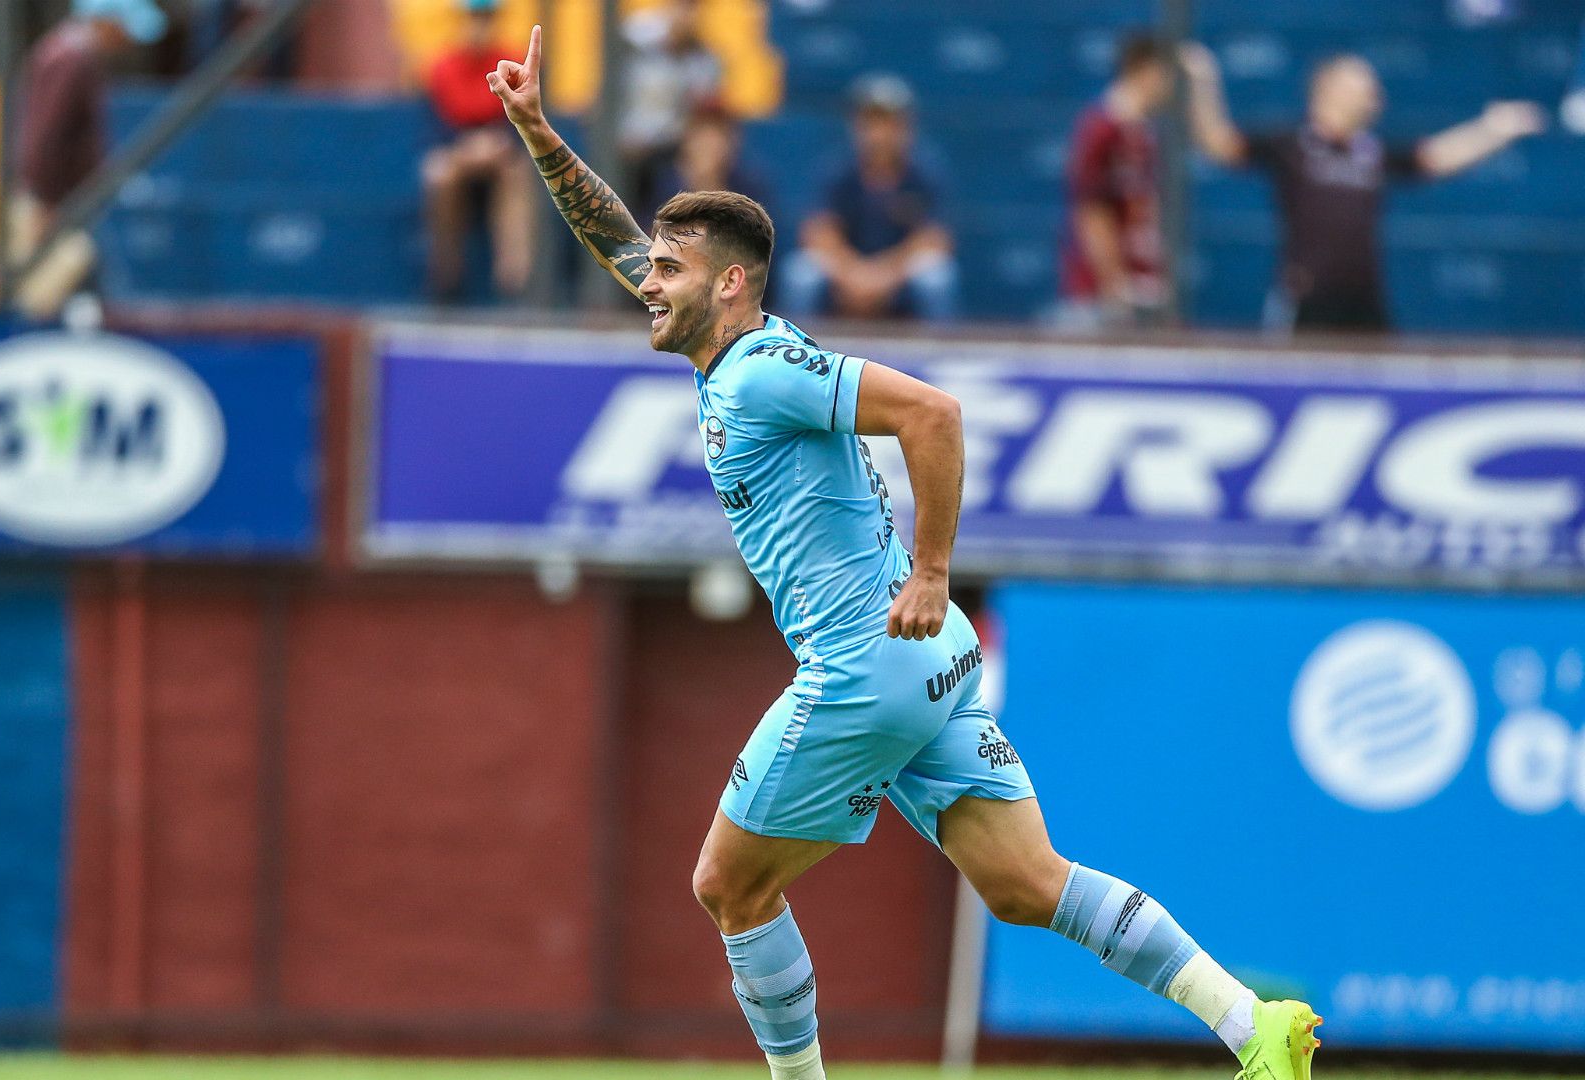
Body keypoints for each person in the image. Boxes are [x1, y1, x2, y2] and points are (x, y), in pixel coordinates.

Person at [488, 25, 1324, 1080]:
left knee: (728, 887)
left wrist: (931, 570)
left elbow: (932, 414)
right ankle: (1255, 1026)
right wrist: (538, 130)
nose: (646, 283)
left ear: (733, 284)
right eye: (650, 266)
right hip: (929, 667)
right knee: (1029, 885)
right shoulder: (726, 345)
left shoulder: (758, 372)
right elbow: (616, 238)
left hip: (867, 663)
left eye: (669, 270)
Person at [1183, 44, 1546, 333]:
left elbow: (1437, 157)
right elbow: (1219, 144)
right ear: (1330, 88)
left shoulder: (1372, 152)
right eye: (1364, 82)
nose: (1376, 92)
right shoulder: (1291, 145)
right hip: (1308, 301)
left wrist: (1494, 130)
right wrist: (1203, 82)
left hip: (1365, 302)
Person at [10, 0, 165, 320]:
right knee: (53, 292)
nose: (128, 42)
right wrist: (44, 202)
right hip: (57, 203)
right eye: (126, 29)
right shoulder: (72, 60)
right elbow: (46, 133)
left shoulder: (67, 54)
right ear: (106, 21)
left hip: (62, 201)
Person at [780, 74, 958, 323]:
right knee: (801, 273)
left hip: (898, 272)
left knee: (936, 277)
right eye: (872, 123)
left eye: (889, 123)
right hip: (847, 269)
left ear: (906, 127)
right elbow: (817, 233)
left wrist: (882, 276)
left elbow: (935, 240)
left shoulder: (925, 173)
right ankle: (796, 356)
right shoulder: (838, 171)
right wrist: (853, 274)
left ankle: (936, 355)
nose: (880, 134)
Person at [1057, 34, 1175, 331]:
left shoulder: (1145, 132)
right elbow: (1091, 211)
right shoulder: (1101, 129)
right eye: (1167, 74)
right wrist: (1113, 282)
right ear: (1146, 71)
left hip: (1144, 282)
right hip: (1105, 295)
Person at [421, 0, 533, 301]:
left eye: (485, 18)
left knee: (517, 173)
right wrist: (468, 149)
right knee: (439, 175)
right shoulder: (443, 66)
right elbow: (436, 129)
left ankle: (515, 280)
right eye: (473, 17)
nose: (479, 26)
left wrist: (497, 145)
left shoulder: (510, 61)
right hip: (457, 152)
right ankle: (446, 276)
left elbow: (525, 120)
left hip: (501, 155)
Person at [619, 0, 723, 207]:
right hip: (623, 148)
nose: (685, 16)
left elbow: (701, 118)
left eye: (692, 9)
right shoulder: (635, 38)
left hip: (669, 151)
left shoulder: (704, 61)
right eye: (681, 7)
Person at [644, 103, 769, 215]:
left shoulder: (750, 187)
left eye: (717, 136)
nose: (707, 145)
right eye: (700, 134)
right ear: (686, 139)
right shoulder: (658, 184)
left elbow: (769, 234)